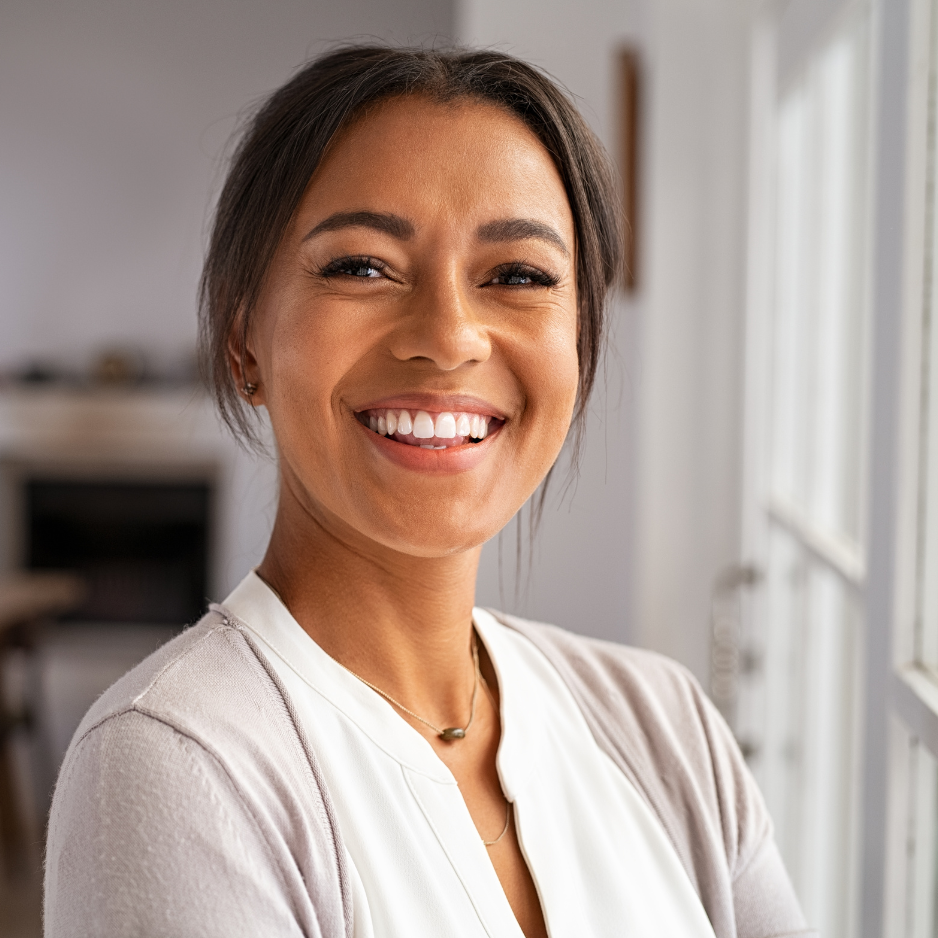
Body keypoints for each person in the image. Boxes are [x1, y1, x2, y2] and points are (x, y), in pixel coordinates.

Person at [44, 46, 812, 938]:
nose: (448, 338)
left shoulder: (665, 730)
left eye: (518, 276)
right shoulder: (178, 765)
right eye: (362, 266)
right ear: (244, 337)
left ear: (579, 344)